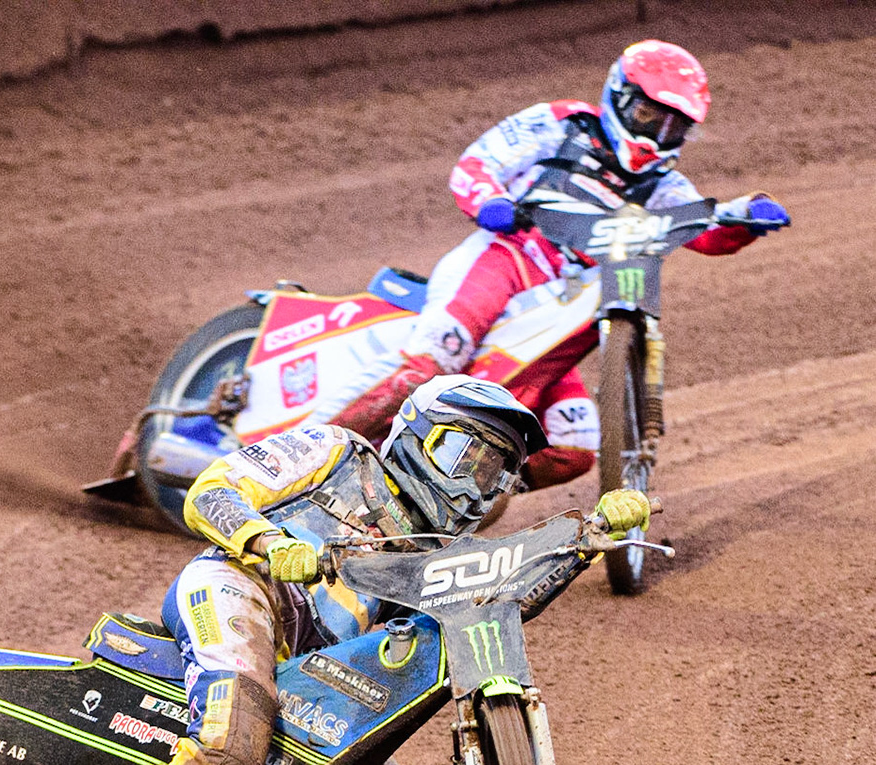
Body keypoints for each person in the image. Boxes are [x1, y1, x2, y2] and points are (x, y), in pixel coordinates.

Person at [0, 376, 650, 765]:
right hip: (242, 589)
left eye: (495, 472)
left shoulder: (439, 552)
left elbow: (501, 599)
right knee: (230, 752)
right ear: (419, 436)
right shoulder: (339, 454)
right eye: (466, 454)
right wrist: (269, 542)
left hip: (302, 666)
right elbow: (214, 489)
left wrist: (585, 538)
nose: (477, 484)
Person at [321, 40, 790, 489]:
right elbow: (478, 163)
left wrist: (746, 216)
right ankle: (312, 457)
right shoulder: (560, 124)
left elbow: (704, 232)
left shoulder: (664, 187)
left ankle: (459, 499)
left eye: (674, 127)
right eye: (650, 116)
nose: (658, 135)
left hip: (563, 310)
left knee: (573, 449)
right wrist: (490, 202)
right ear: (621, 97)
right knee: (431, 365)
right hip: (507, 261)